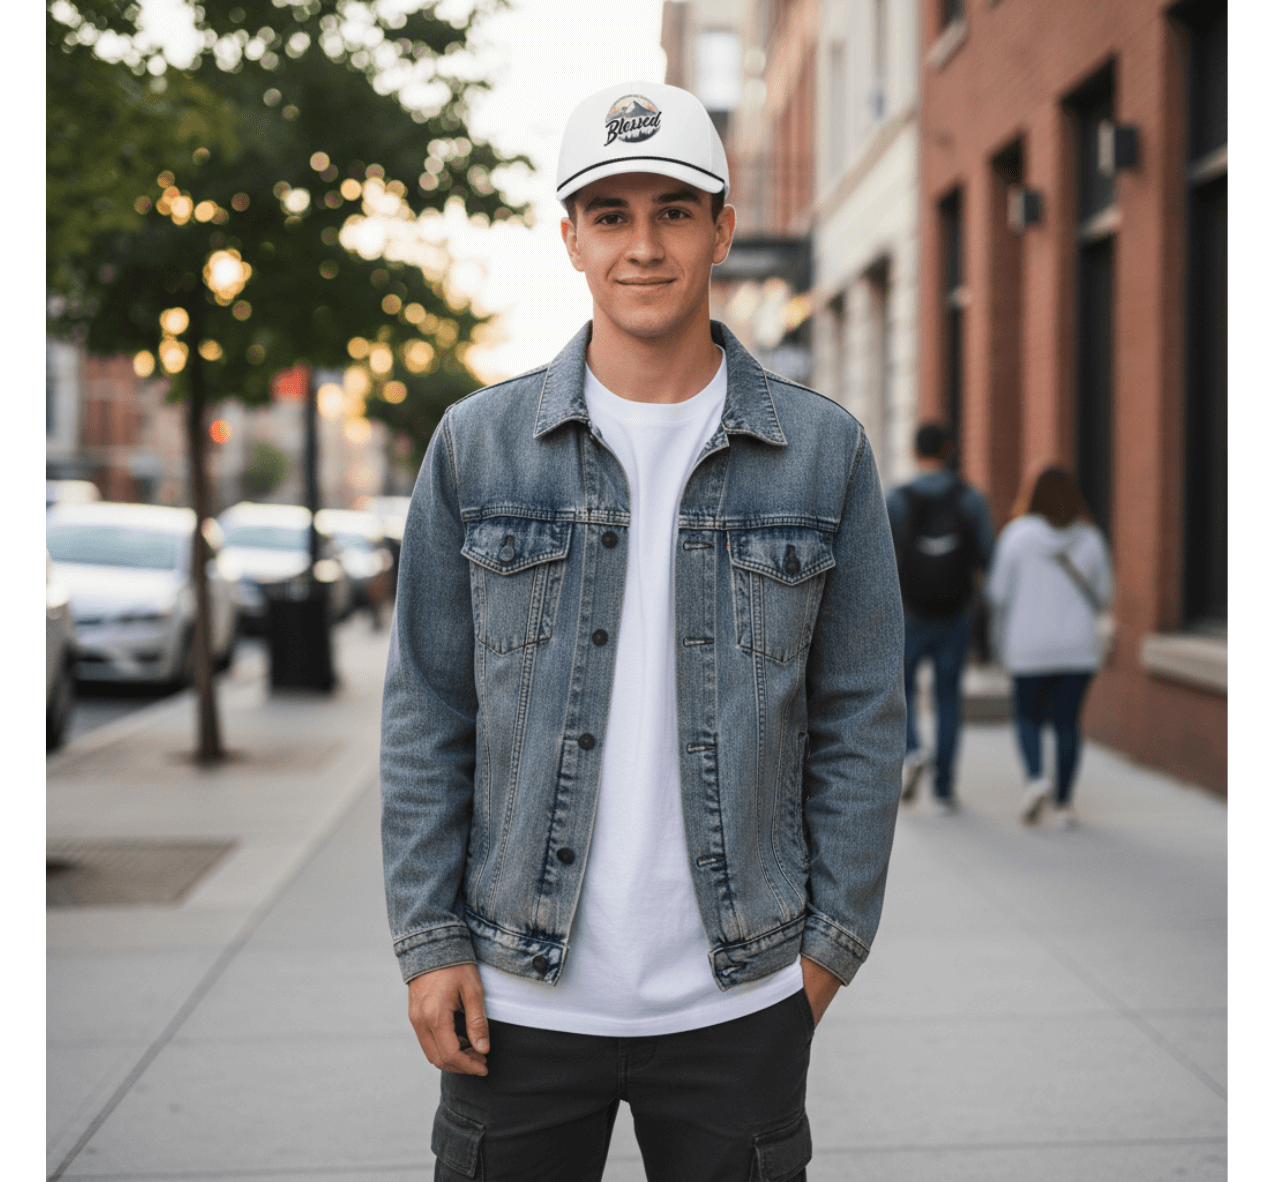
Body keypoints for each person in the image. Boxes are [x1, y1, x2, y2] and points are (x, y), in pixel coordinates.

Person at [379, 80, 905, 1181]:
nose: (644, 244)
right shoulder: (478, 448)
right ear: (569, 238)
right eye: (610, 214)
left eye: (673, 209)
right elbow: (427, 708)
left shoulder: (823, 453)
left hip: (741, 996)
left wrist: (823, 958)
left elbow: (862, 716)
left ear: (721, 226)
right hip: (517, 1001)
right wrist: (431, 945)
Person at [984, 466, 1114, 829]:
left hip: (1028, 647)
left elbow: (997, 594)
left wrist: (996, 645)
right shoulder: (1091, 539)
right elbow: (1104, 597)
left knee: (1027, 716)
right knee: (1067, 723)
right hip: (1077, 648)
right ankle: (1064, 804)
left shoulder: (1015, 537)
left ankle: (1036, 780)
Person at [884, 422, 995, 813]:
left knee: (903, 691)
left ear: (916, 453)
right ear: (949, 451)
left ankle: (913, 751)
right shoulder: (971, 499)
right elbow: (986, 555)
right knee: (948, 697)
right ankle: (945, 787)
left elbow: (878, 559)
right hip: (955, 613)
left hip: (909, 612)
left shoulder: (896, 499)